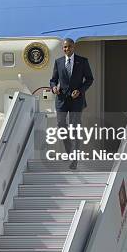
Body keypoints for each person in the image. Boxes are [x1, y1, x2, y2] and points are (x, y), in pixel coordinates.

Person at [50, 38, 94, 169]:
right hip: (61, 100)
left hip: (76, 100)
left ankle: (74, 158)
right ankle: (70, 153)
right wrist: (54, 88)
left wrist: (80, 91)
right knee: (61, 126)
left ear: (73, 47)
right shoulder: (58, 62)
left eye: (69, 47)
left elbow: (90, 79)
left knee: (74, 128)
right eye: (64, 47)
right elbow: (53, 80)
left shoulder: (83, 61)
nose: (67, 49)